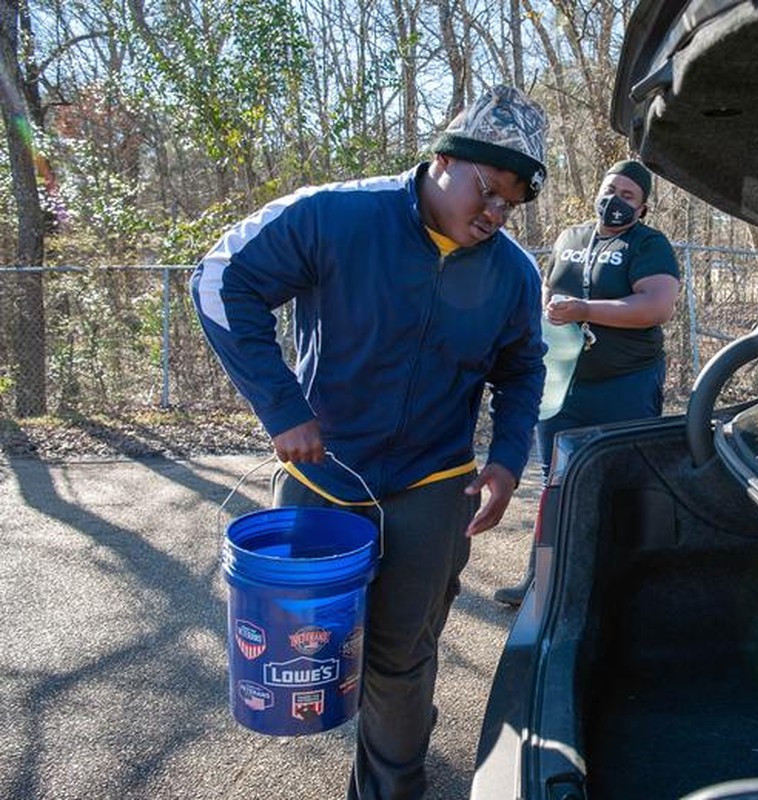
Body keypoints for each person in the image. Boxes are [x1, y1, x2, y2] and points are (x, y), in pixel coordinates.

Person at [191, 85, 549, 799]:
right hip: (325, 476)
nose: (496, 214)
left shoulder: (513, 271)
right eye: (488, 191)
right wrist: (282, 404)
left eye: (512, 203)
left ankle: (390, 790)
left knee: (401, 658)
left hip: (431, 484)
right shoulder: (337, 216)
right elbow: (220, 278)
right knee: (306, 648)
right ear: (443, 158)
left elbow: (522, 369)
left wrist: (507, 460)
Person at [493, 159, 681, 606]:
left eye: (628, 195)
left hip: (626, 381)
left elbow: (657, 306)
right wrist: (551, 313)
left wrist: (585, 310)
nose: (615, 199)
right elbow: (550, 289)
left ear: (643, 207)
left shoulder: (649, 244)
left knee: (622, 478)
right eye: (610, 188)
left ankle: (622, 584)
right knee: (554, 479)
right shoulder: (570, 237)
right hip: (563, 379)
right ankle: (540, 580)